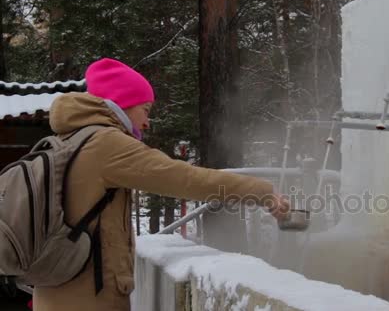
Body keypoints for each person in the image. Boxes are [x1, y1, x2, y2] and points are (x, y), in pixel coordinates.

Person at [33, 58, 290, 311]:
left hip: (57, 292)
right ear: (121, 105)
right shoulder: (106, 144)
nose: (147, 122)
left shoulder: (67, 139)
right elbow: (186, 179)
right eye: (145, 110)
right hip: (87, 300)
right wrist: (261, 191)